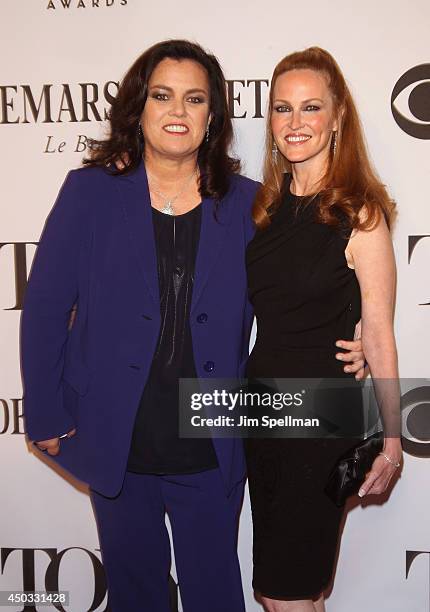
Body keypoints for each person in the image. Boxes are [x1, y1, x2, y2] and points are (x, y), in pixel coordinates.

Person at [21, 40, 364, 611]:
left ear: (212, 117)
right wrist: (48, 412)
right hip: (114, 435)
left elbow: (307, 280)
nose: (178, 110)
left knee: (216, 595)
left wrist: (359, 336)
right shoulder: (91, 194)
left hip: (211, 438)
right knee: (136, 595)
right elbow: (47, 307)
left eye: (195, 98)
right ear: (140, 107)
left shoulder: (253, 205)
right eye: (163, 95)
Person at [244, 47, 402, 612]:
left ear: (337, 118)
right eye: (282, 109)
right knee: (280, 592)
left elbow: (379, 333)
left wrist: (390, 438)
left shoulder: (359, 213)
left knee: (287, 594)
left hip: (320, 417)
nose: (294, 123)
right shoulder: (264, 209)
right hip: (260, 411)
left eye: (310, 107)